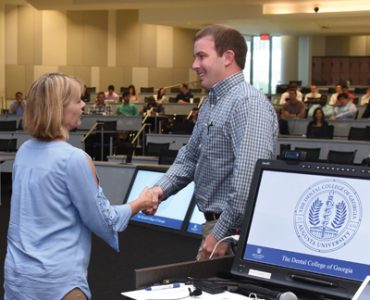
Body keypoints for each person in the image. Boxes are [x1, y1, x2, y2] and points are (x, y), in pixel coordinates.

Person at [3, 73, 157, 300]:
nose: (84, 105)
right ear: (59, 107)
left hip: (18, 277)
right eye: (78, 100)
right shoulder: (74, 159)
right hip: (58, 284)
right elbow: (106, 220)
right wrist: (140, 203)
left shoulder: (24, 151)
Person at [144, 24, 278, 260]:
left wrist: (220, 233)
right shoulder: (211, 103)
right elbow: (190, 157)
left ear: (227, 58)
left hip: (234, 235)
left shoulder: (248, 104)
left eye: (201, 56)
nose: (195, 65)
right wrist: (160, 189)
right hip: (217, 229)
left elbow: (249, 179)